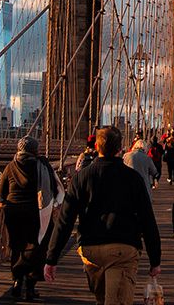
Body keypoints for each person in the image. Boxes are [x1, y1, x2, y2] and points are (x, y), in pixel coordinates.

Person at [45, 127, 162, 305]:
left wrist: (51, 258)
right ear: (120, 148)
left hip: (90, 250)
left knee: (103, 300)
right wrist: (155, 260)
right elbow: (147, 220)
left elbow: (65, 220)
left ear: (97, 147)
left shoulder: (81, 177)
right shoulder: (133, 178)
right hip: (122, 249)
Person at [0, 136, 62, 301]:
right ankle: (30, 287)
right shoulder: (42, 166)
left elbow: (1, 192)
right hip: (36, 212)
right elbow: (55, 189)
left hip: (13, 212)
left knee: (17, 246)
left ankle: (17, 281)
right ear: (35, 150)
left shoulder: (10, 167)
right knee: (37, 246)